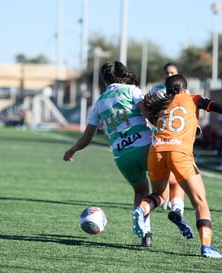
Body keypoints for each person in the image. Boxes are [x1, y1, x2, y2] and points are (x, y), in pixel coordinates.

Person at [134, 74, 222, 258]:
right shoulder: (193, 98)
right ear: (184, 89)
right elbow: (220, 107)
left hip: (156, 151)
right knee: (200, 202)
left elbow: (149, 113)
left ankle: (141, 209)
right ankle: (206, 246)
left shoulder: (161, 101)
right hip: (179, 153)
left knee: (159, 195)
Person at [63, 61, 157, 247]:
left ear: (104, 80)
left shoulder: (99, 102)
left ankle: (145, 234)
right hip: (145, 147)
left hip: (122, 156)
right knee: (165, 187)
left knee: (140, 191)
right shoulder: (133, 91)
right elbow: (148, 115)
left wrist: (73, 149)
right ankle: (177, 209)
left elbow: (87, 137)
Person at [150, 62, 187, 221]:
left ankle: (170, 202)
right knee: (174, 172)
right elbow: (149, 108)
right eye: (167, 73)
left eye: (172, 72)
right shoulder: (157, 90)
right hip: (161, 133)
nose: (169, 75)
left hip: (178, 135)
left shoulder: (184, 91)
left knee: (173, 170)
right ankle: (175, 204)